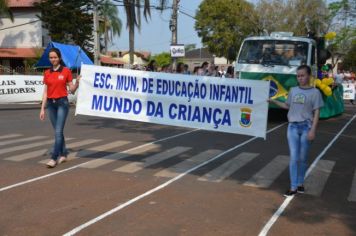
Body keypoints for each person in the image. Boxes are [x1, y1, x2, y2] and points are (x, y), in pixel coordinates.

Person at [269, 65, 324, 197]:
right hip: (292, 127)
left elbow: (317, 112)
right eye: (298, 76)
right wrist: (273, 101)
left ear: (309, 76)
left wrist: (313, 130)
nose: (300, 78)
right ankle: (293, 186)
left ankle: (300, 183)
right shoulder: (293, 90)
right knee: (294, 157)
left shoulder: (315, 93)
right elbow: (287, 106)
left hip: (307, 127)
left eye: (302, 75)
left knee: (303, 158)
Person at [39, 48, 81, 168]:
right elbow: (46, 92)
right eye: (51, 57)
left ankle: (54, 158)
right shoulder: (47, 72)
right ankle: (63, 154)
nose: (53, 59)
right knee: (58, 132)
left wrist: (77, 82)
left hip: (62, 103)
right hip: (51, 105)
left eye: (55, 57)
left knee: (58, 131)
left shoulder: (66, 71)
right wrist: (42, 108)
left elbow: (72, 90)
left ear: (59, 58)